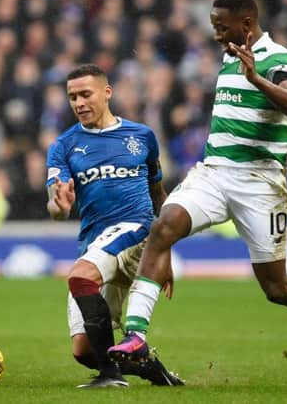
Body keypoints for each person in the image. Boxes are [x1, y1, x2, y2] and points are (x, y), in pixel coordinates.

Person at [108, 0, 287, 365]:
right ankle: (136, 336)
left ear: (247, 24)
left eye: (222, 27)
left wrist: (257, 79)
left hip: (260, 184)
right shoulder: (229, 58)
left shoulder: (278, 58)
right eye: (214, 27)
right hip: (215, 173)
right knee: (163, 226)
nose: (217, 34)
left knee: (277, 288)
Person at [46, 64, 184, 388]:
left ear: (107, 93)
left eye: (85, 94)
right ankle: (148, 366)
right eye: (72, 97)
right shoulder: (63, 146)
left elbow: (158, 194)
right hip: (96, 243)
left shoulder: (142, 137)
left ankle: (110, 378)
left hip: (136, 232)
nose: (78, 103)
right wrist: (59, 206)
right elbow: (55, 205)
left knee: (79, 276)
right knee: (84, 351)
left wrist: (163, 253)